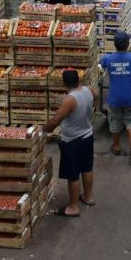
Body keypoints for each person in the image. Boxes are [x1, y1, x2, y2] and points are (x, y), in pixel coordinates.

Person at [44, 69, 99, 216]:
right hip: (87, 135)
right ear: (78, 80)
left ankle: (73, 207)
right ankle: (88, 197)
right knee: (87, 168)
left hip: (73, 141)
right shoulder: (88, 90)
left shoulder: (70, 99)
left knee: (73, 174)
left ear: (64, 83)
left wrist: (44, 129)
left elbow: (56, 120)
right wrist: (91, 110)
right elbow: (97, 96)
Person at [99, 31, 131, 161]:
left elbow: (101, 65)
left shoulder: (108, 59)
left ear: (115, 44)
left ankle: (116, 146)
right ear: (127, 44)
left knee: (115, 121)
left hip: (115, 98)